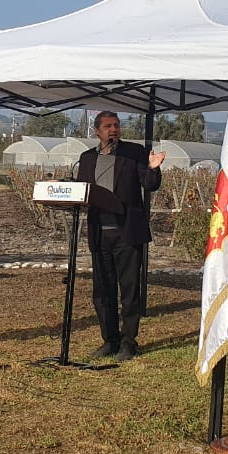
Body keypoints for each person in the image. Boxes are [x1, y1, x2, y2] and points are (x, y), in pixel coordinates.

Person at [75, 111, 165, 362]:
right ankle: (109, 340)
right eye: (107, 126)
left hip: (127, 234)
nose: (113, 130)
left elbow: (149, 184)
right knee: (102, 292)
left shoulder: (133, 152)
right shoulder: (87, 158)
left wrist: (154, 169)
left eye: (116, 125)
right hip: (99, 234)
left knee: (128, 291)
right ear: (97, 131)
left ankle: (128, 342)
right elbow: (82, 191)